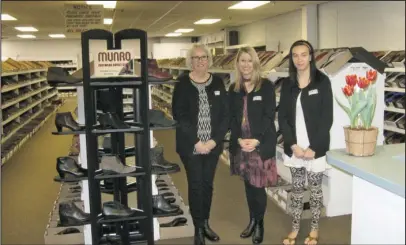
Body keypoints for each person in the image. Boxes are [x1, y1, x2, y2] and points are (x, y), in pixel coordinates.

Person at [172, 43, 229, 245]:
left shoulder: (218, 84)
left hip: (212, 146)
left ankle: (205, 223)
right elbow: (180, 115)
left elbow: (225, 115)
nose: (200, 61)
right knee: (196, 185)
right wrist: (197, 142)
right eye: (196, 58)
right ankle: (197, 228)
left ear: (209, 59)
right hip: (191, 146)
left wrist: (213, 141)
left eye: (203, 57)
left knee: (207, 185)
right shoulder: (182, 84)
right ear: (190, 61)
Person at [279, 40, 333, 245]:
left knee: (316, 189)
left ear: (311, 56)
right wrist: (293, 145)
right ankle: (295, 228)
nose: (299, 59)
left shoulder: (322, 82)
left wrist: (314, 148)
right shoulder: (288, 84)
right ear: (292, 58)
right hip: (295, 148)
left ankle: (314, 229)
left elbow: (327, 118)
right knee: (298, 189)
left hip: (315, 149)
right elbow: (283, 117)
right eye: (295, 55)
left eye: (303, 54)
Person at [228, 46, 278, 245]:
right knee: (248, 185)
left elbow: (269, 115)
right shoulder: (233, 89)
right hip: (241, 143)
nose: (246, 65)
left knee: (258, 187)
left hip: (260, 143)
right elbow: (231, 118)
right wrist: (239, 139)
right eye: (242, 61)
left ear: (255, 63)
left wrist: (256, 140)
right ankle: (252, 219)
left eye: (250, 61)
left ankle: (259, 224)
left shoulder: (265, 86)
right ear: (238, 64)